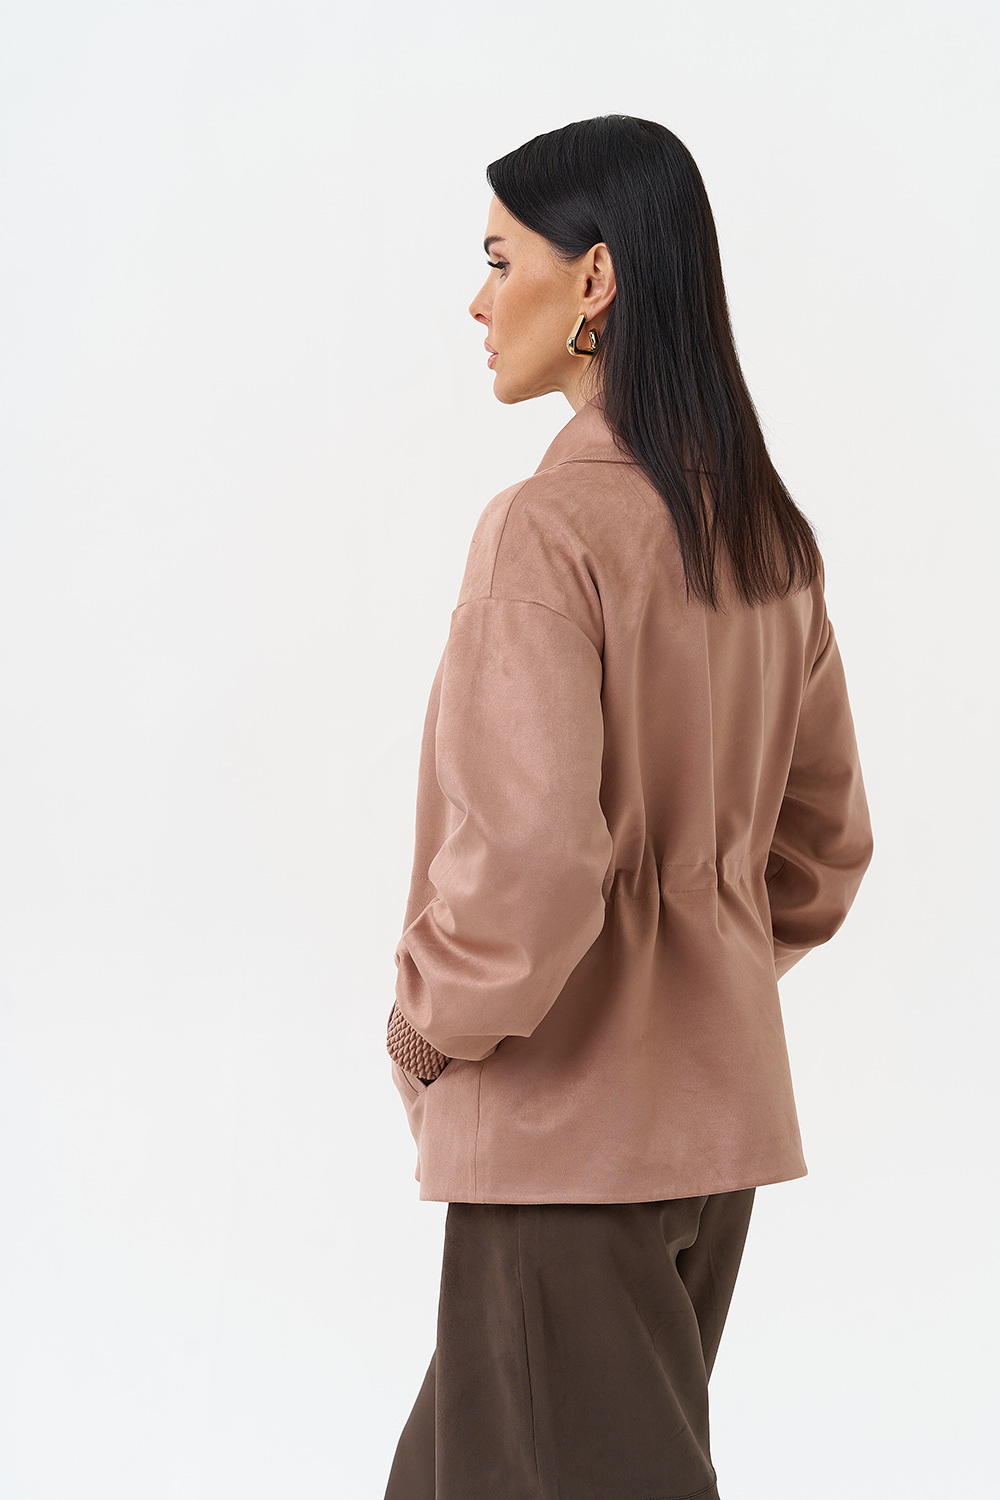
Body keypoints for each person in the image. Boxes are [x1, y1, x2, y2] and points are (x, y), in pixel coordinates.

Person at [382, 115, 874, 1500]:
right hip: (707, 1138)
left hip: (560, 1142)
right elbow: (821, 853)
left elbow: (532, 868)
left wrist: (426, 1029)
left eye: (501, 261)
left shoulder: (546, 534)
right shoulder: (764, 539)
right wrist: (699, 967)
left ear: (593, 279)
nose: (478, 302)